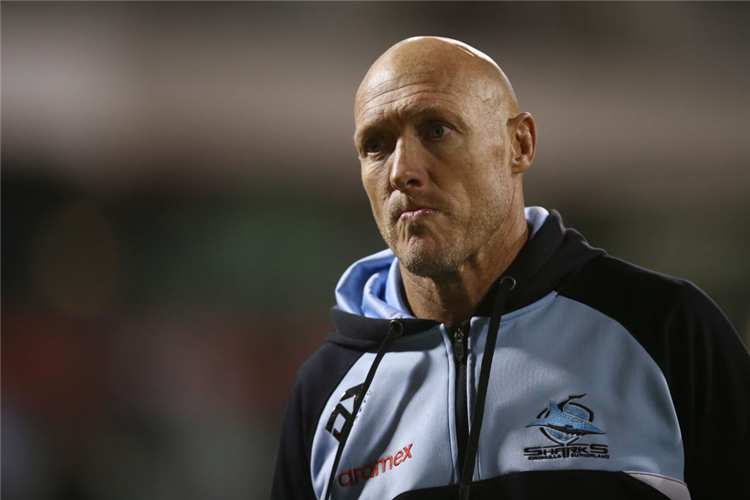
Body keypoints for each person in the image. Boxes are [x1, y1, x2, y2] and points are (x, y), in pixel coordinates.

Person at [271, 37, 749, 500]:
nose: (401, 170)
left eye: (437, 129)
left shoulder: (663, 328)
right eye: (376, 144)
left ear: (519, 144)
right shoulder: (328, 387)